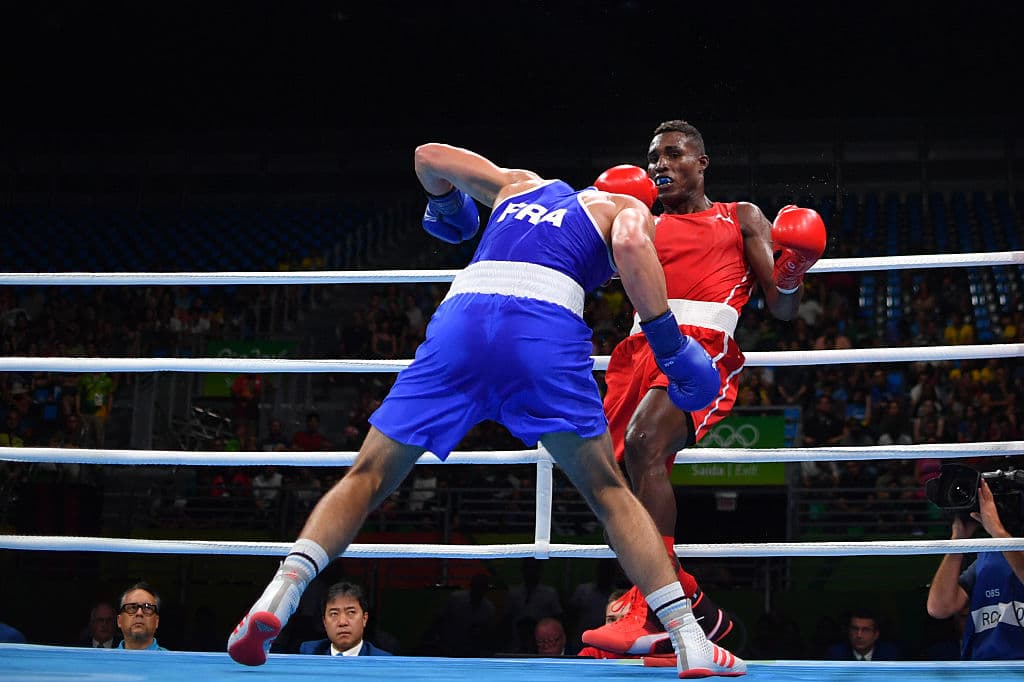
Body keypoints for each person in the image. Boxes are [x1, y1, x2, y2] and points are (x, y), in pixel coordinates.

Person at [228, 142, 746, 677]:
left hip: (463, 317)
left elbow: (428, 156)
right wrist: (668, 344)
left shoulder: (521, 183)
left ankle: (277, 597)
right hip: (541, 327)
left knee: (368, 474)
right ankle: (690, 640)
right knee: (610, 493)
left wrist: (448, 207)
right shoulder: (624, 208)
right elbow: (634, 243)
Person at [584, 119, 825, 654]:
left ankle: (649, 605)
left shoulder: (740, 216)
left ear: (701, 163)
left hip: (702, 346)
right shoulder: (638, 221)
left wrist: (793, 270)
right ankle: (696, 610)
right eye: (654, 158)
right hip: (636, 351)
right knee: (617, 479)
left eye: (673, 154)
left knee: (645, 443)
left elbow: (783, 308)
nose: (660, 166)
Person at [925, 477, 1024, 659]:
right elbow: (939, 607)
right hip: (983, 668)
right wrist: (958, 542)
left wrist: (998, 531)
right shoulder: (987, 558)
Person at [297, 581, 393, 656]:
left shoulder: (382, 661)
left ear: (364, 619)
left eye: (351, 612)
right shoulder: (310, 653)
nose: (342, 622)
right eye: (334, 614)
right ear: (324, 622)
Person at [823, 610, 901, 660]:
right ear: (849, 632)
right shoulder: (835, 654)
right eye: (855, 629)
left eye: (866, 630)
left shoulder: (889, 653)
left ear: (876, 635)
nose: (859, 635)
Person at [116, 581, 168, 651]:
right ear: (119, 621)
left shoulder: (172, 658)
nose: (139, 613)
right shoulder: (105, 657)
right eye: (132, 607)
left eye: (147, 608)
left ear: (157, 621)